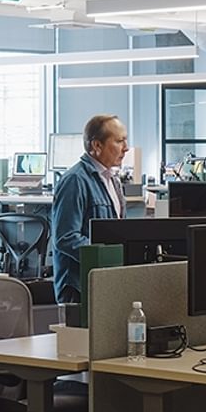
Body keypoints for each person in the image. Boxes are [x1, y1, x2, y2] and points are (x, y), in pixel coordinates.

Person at [51, 113, 129, 305]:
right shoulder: (75, 180)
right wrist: (108, 255)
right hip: (78, 286)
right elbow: (65, 238)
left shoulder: (113, 180)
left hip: (106, 280)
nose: (126, 148)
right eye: (119, 141)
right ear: (97, 145)